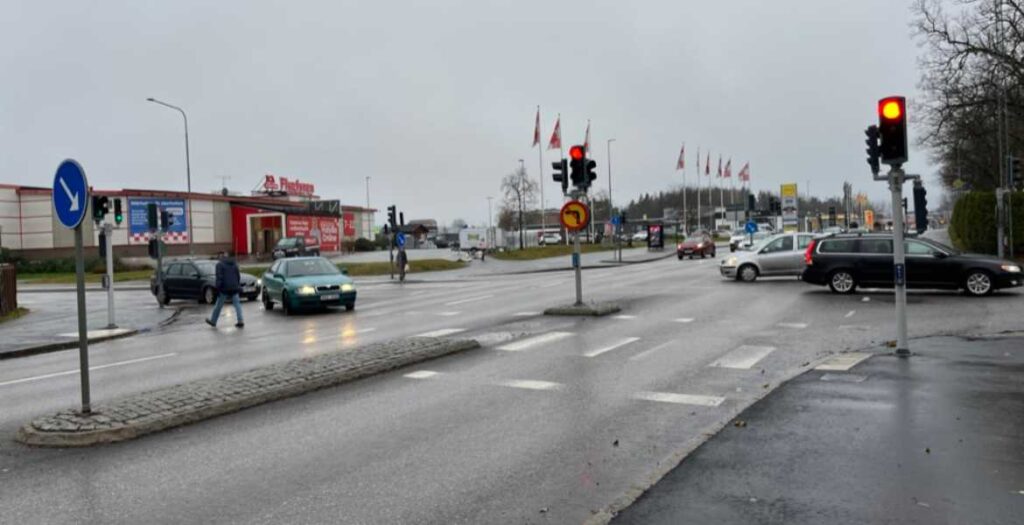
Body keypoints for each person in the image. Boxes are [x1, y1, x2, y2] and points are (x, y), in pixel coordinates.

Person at [206, 252, 244, 328]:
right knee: (237, 304)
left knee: (218, 305)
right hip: (234, 287)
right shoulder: (234, 264)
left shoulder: (219, 265)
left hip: (224, 288)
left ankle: (213, 321)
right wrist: (237, 284)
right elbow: (238, 276)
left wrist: (218, 288)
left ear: (221, 257)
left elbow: (219, 277)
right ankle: (240, 321)